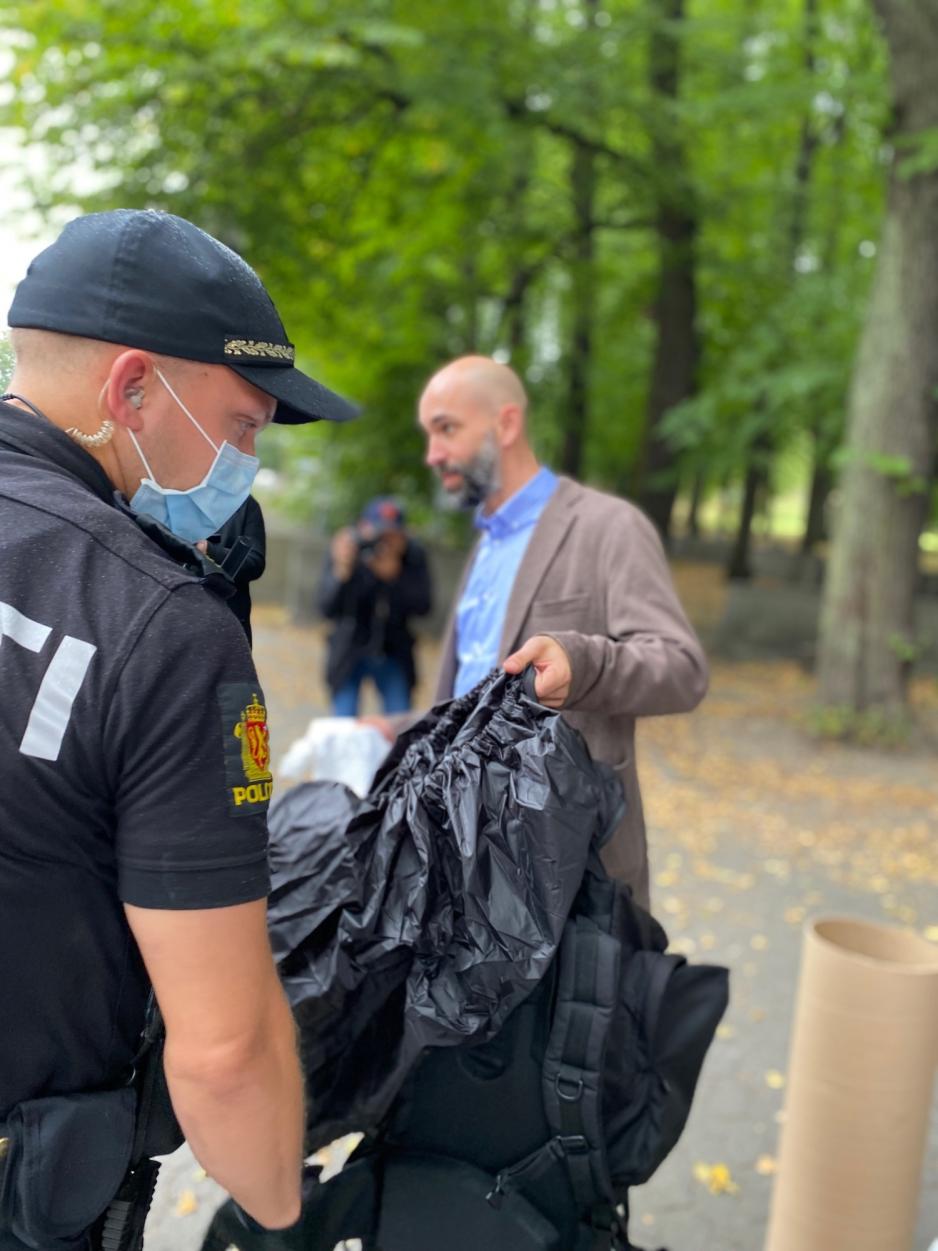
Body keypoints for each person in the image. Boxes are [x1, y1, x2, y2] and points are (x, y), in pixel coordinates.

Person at [0, 208, 356, 1248]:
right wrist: (284, 1207)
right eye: (242, 426)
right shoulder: (160, 629)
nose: (246, 461)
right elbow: (225, 1050)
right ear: (132, 389)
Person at [371, 355, 708, 911]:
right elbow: (471, 697)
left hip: (573, 880)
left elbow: (682, 668)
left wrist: (583, 664)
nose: (432, 454)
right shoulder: (486, 546)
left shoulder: (607, 527)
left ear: (506, 424)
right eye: (428, 434)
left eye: (446, 428)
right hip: (463, 868)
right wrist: (398, 728)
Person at [317, 497, 432, 715]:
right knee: (344, 725)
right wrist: (341, 573)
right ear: (362, 528)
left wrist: (396, 577)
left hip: (394, 651)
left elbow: (424, 607)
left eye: (391, 534)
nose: (383, 541)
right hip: (349, 651)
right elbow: (325, 609)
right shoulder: (349, 550)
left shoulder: (413, 555)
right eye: (378, 533)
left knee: (399, 724)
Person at [199, 494, 267, 646]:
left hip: (228, 618)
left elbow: (255, 563)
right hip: (180, 613)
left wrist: (209, 550)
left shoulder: (246, 505)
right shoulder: (175, 495)